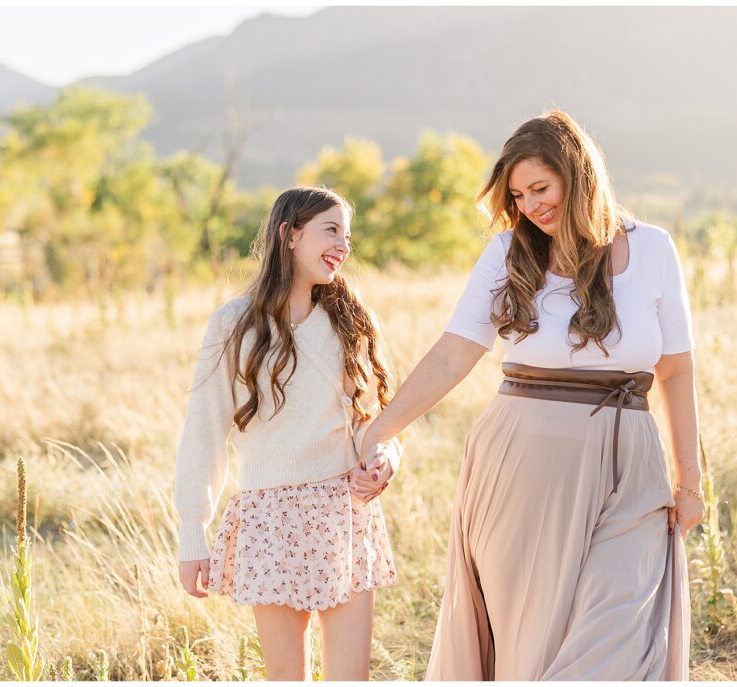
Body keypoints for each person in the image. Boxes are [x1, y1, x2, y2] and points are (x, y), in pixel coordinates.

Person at [359, 110, 703, 680]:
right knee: (531, 648)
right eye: (518, 195)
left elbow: (677, 371)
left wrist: (689, 481)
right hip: (521, 464)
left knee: (617, 633)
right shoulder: (506, 255)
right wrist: (379, 429)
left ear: (578, 175)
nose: (530, 206)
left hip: (631, 464)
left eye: (540, 188)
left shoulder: (654, 250)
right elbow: (453, 354)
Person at [174, 186, 401, 681]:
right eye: (331, 230)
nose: (344, 245)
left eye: (348, 235)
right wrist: (193, 531)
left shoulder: (349, 321)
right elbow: (204, 430)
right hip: (269, 517)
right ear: (290, 234)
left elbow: (372, 421)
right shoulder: (234, 323)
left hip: (343, 511)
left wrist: (384, 460)